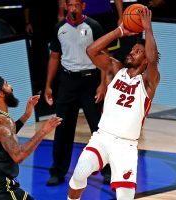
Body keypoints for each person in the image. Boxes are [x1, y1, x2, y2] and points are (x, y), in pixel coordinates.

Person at [68, 6, 160, 200]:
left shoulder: (148, 82)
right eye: (133, 49)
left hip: (125, 146)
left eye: (138, 52)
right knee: (79, 173)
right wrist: (119, 31)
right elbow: (91, 50)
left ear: (144, 61)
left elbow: (153, 61)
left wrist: (148, 29)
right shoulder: (115, 69)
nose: (131, 52)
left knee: (125, 196)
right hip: (102, 137)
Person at [44, 0, 107, 186]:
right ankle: (57, 171)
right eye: (70, 5)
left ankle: (109, 171)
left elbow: (104, 56)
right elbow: (55, 57)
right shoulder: (59, 28)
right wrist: (48, 85)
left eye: (76, 5)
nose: (73, 8)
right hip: (68, 81)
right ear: (65, 7)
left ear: (83, 6)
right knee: (62, 128)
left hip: (90, 80)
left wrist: (103, 84)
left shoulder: (94, 26)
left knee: (99, 128)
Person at [0, 75, 62, 199]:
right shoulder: (2, 122)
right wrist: (43, 131)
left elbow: (6, 136)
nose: (11, 87)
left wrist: (26, 115)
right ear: (1, 93)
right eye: (6, 84)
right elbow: (18, 155)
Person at [23, 0, 61, 118]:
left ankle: (56, 86)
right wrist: (28, 22)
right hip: (37, 24)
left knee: (56, 54)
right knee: (39, 58)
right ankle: (42, 88)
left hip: (53, 23)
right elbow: (26, 5)